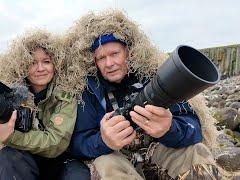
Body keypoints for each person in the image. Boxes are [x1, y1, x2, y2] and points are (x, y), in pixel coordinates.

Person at [67, 10, 222, 179]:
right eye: (101, 58)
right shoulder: (88, 90)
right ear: (94, 62)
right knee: (106, 164)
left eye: (114, 54)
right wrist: (103, 141)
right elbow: (76, 144)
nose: (109, 63)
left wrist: (169, 128)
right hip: (117, 158)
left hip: (157, 152)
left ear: (128, 51)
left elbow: (194, 129)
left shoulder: (155, 76)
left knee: (196, 152)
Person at [0, 30, 90, 180]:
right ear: (23, 66)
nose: (40, 68)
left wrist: (10, 136)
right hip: (25, 156)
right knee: (6, 159)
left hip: (62, 159)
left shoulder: (66, 94)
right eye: (32, 63)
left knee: (78, 176)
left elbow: (56, 143)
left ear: (55, 65)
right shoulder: (11, 94)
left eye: (46, 61)